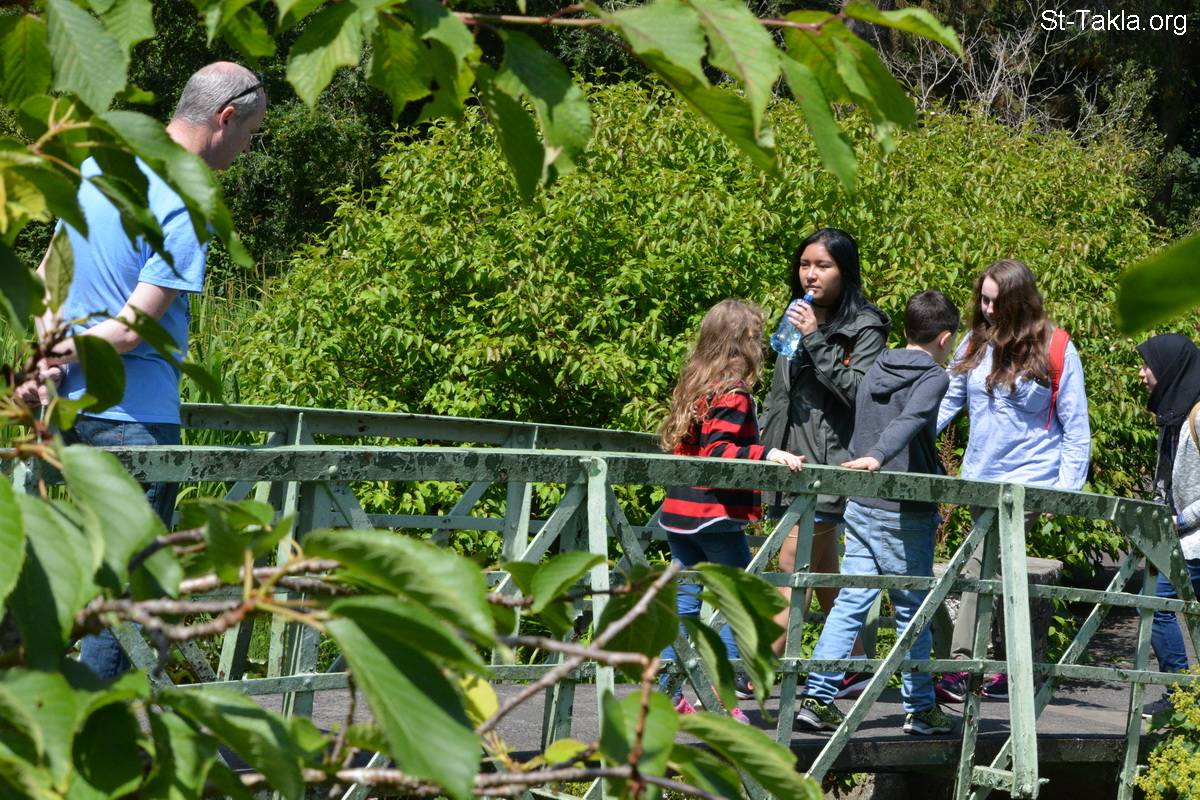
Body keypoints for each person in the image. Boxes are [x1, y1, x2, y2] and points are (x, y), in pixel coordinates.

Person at [20, 62, 267, 678]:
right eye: (251, 133)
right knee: (125, 600)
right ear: (225, 118)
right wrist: (61, 355)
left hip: (65, 416)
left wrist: (47, 357)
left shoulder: (102, 168)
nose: (247, 148)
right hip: (134, 423)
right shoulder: (186, 198)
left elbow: (48, 278)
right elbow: (132, 330)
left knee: (52, 570)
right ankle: (94, 724)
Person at [795, 290, 960, 736]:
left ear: (905, 329)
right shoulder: (934, 377)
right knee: (913, 611)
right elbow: (912, 419)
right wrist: (879, 456)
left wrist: (867, 457)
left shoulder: (877, 365)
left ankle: (817, 698)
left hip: (863, 501)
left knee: (850, 603)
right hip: (906, 509)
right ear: (945, 338)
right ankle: (921, 709)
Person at [935, 259, 1091, 703]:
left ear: (1020, 301)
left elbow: (1076, 427)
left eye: (996, 302)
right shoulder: (974, 342)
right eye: (983, 300)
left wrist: (1063, 492)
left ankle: (960, 668)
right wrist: (902, 441)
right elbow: (946, 402)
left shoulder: (1055, 347)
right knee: (997, 570)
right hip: (979, 478)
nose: (987, 310)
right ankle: (1012, 669)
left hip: (1027, 481)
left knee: (980, 562)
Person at [658, 299, 806, 720]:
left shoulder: (695, 383)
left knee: (684, 603)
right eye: (758, 338)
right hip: (714, 515)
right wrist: (768, 453)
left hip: (680, 511)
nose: (762, 346)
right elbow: (719, 451)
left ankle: (666, 692)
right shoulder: (734, 393)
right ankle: (720, 698)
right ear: (745, 342)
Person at [760, 228, 890, 698]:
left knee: (790, 570)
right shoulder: (795, 313)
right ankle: (853, 662)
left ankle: (753, 673)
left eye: (822, 266)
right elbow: (780, 390)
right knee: (822, 569)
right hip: (788, 456)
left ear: (844, 270)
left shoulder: (866, 327)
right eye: (804, 265)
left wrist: (815, 338)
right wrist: (763, 443)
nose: (810, 275)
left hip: (831, 462)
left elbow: (860, 394)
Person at [1135, 334, 1200, 720]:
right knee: (1154, 603)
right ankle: (1184, 695)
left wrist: (1182, 519)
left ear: (1170, 369)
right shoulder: (1173, 414)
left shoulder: (1197, 416)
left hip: (1193, 539)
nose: (1142, 373)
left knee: (1154, 603)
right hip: (1181, 541)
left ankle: (1182, 694)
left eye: (1148, 365)